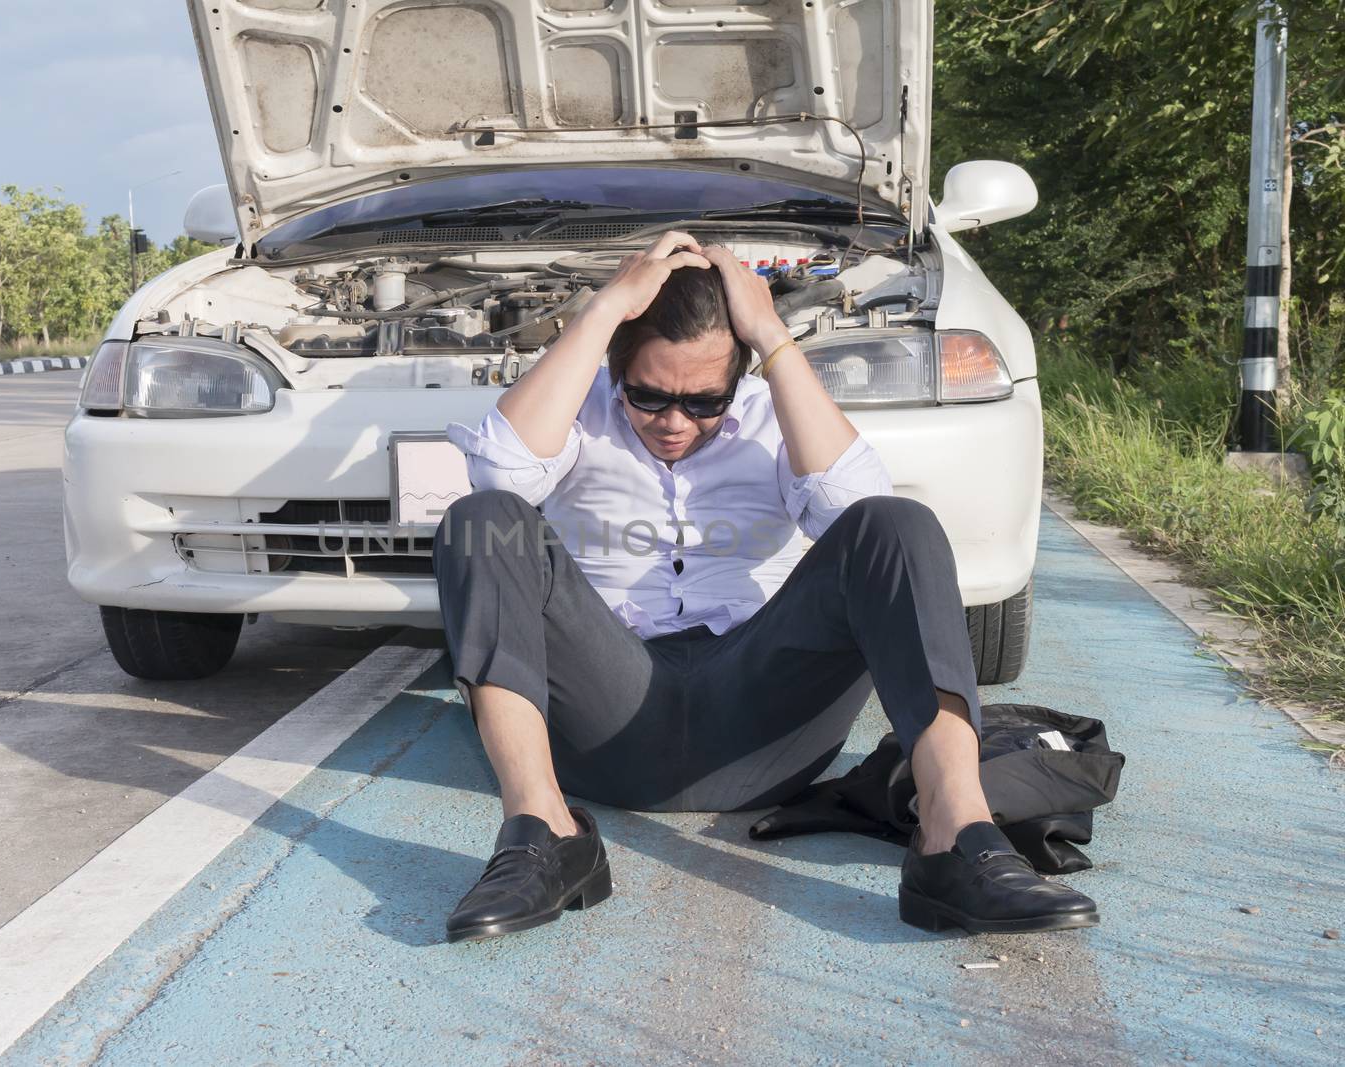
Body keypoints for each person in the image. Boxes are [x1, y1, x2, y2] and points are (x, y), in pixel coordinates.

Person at [433, 231, 1097, 942]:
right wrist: (604, 311)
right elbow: (498, 474)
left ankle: (955, 838)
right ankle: (543, 832)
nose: (675, 423)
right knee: (482, 522)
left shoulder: (770, 409)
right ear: (616, 368)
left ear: (736, 378)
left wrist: (773, 336)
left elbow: (857, 512)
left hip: (758, 725)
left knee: (896, 523)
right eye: (650, 396)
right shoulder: (580, 407)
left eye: (704, 402)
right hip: (606, 722)